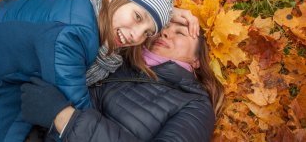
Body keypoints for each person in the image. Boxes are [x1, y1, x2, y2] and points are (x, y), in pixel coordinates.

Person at [0, 0, 198, 142]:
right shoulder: (71, 37)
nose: (136, 35)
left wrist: (164, 12)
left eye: (147, 32)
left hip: (8, 56)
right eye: (137, 18)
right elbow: (76, 109)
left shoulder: (91, 2)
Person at [21, 21, 225, 142]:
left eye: (179, 32)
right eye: (164, 26)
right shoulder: (117, 56)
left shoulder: (195, 104)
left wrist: (64, 118)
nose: (165, 32)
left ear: (197, 60)